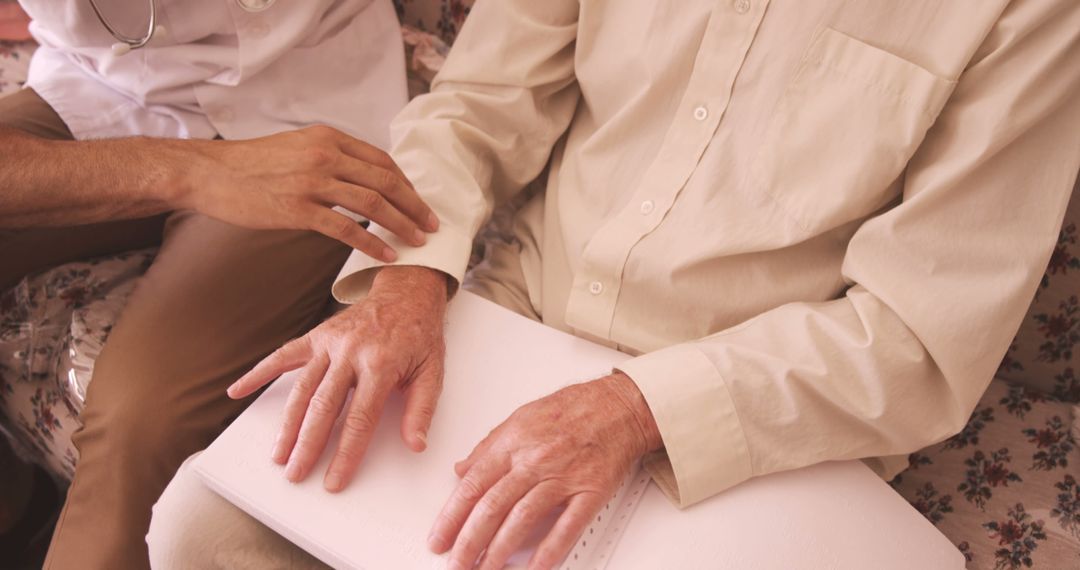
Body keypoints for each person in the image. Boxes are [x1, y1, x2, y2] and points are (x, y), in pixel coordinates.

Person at [148, 0, 1080, 568]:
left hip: (751, 429)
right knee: (208, 528)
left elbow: (920, 336)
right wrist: (407, 282)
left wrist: (634, 408)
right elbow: (475, 111)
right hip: (516, 321)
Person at [0, 0, 438, 568]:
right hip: (98, 87)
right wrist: (190, 170)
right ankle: (15, 509)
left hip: (308, 107)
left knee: (140, 420)